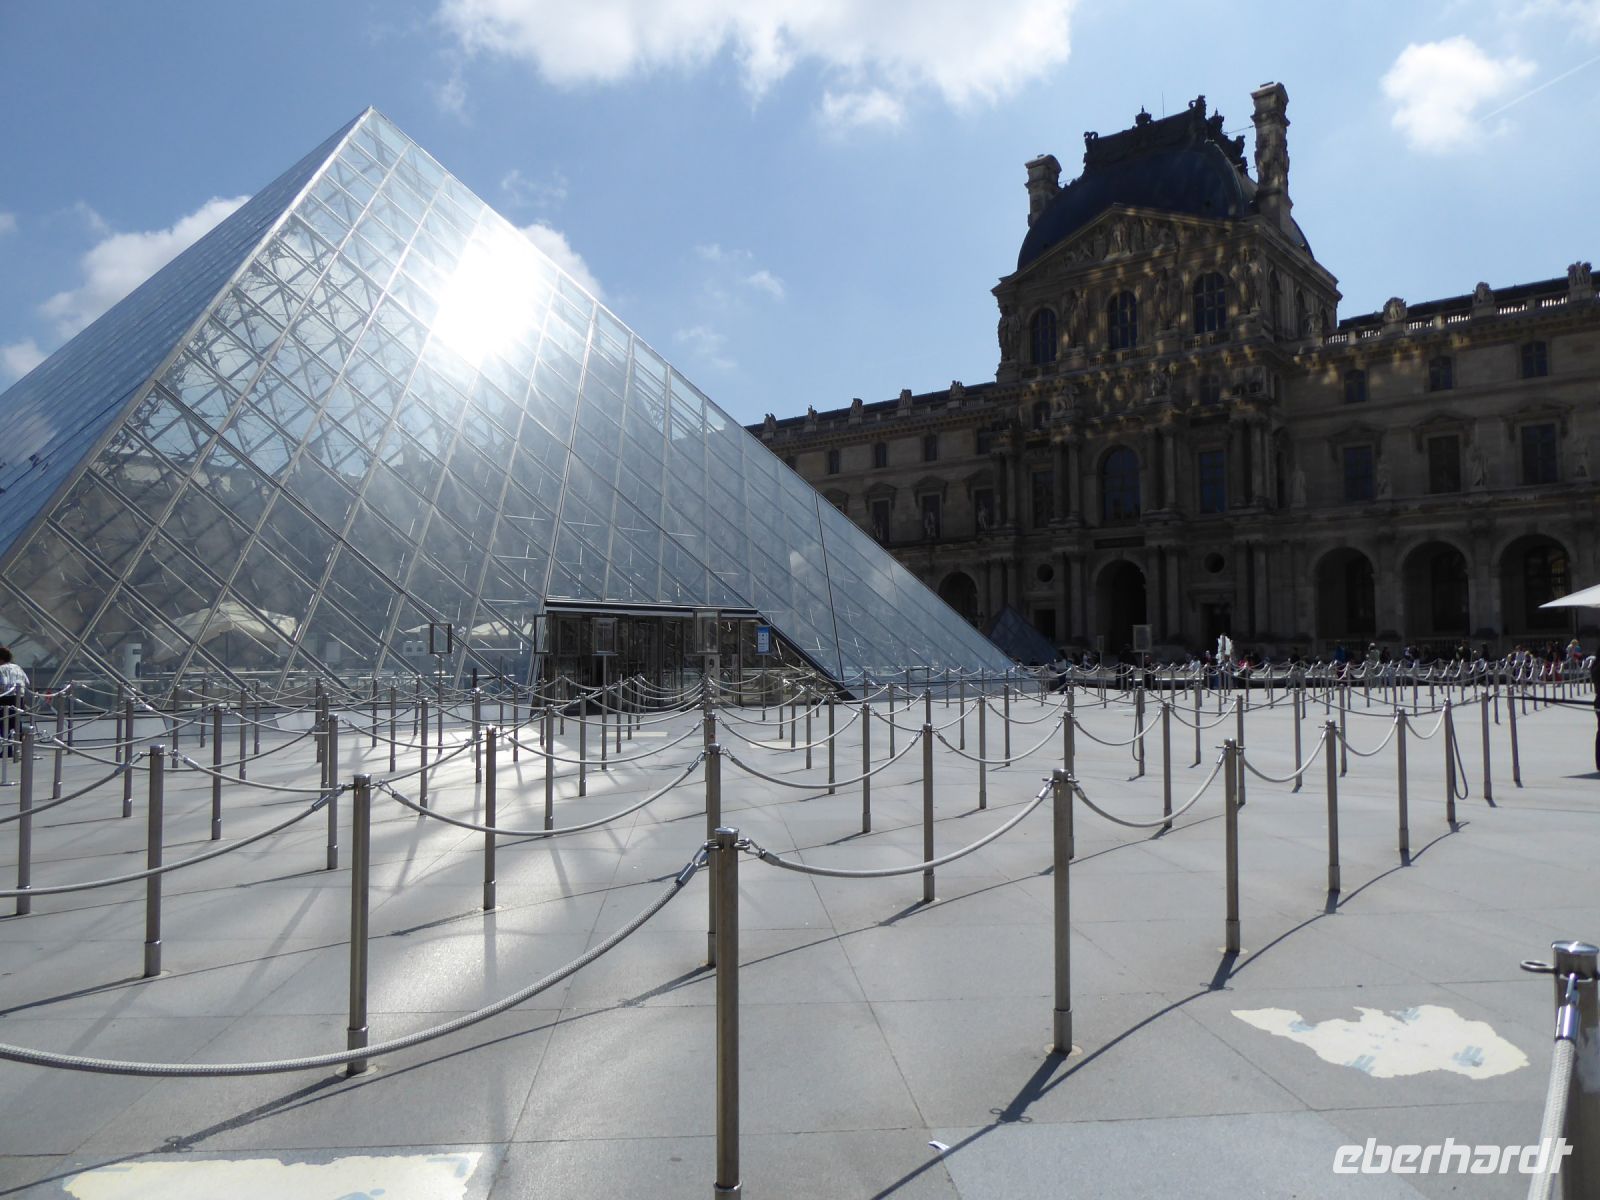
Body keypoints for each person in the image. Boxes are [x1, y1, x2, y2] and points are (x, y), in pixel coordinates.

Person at [0, 647, 27, 762]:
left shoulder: (1, 669)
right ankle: (14, 748)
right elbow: (26, 682)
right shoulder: (18, 668)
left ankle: (5, 750)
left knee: (2, 723)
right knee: (14, 723)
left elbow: (3, 684)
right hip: (18, 699)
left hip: (4, 699)